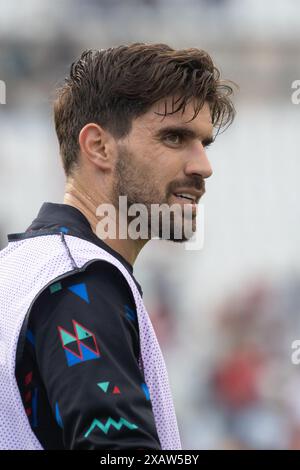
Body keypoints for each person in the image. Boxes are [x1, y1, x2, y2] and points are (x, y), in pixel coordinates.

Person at [0, 43, 235, 450]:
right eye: (175, 137)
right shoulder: (79, 284)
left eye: (204, 143)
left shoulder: (22, 269)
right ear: (98, 146)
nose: (203, 166)